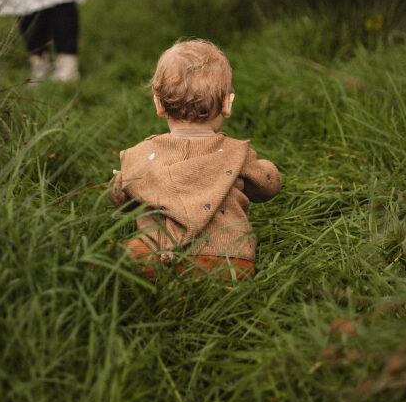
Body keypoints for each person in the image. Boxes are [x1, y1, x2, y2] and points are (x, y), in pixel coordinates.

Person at [109, 39, 281, 280]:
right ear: (227, 104)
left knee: (114, 257)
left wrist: (118, 184)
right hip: (229, 261)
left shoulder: (142, 156)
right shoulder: (237, 154)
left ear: (159, 104)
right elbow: (268, 186)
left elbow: (122, 199)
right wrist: (267, 169)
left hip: (159, 255)